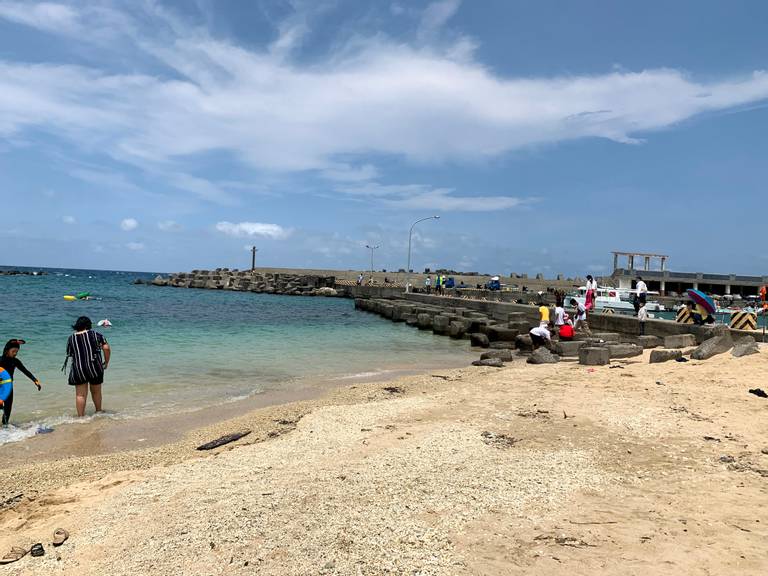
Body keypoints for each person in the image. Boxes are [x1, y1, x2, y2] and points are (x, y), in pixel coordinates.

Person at [65, 316, 111, 417]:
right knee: (96, 391)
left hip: (79, 369)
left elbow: (70, 353)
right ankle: (98, 411)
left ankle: (81, 417)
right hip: (95, 367)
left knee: (80, 395)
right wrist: (106, 362)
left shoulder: (71, 338)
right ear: (88, 325)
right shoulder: (96, 334)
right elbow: (106, 347)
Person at [0, 339, 42, 426]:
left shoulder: (15, 361)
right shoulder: (0, 360)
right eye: (13, 351)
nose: (15, 353)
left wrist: (35, 380)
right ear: (7, 350)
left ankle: (5, 430)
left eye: (17, 351)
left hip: (8, 388)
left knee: (7, 411)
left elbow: (25, 371)